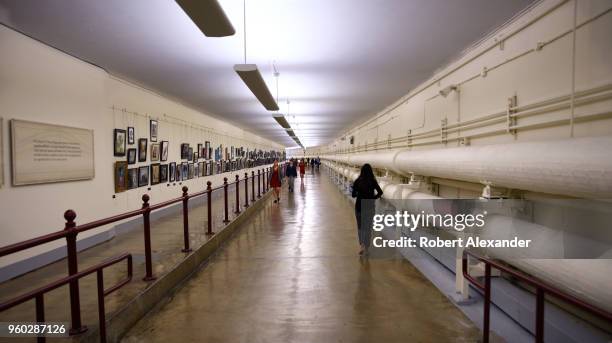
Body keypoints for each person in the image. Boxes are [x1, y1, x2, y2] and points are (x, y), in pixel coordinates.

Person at [351, 164, 383, 255]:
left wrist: (359, 194)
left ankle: (362, 246)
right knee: (368, 228)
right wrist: (373, 198)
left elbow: (353, 194)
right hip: (369, 207)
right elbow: (380, 192)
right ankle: (367, 247)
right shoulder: (372, 181)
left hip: (359, 206)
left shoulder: (358, 181)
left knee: (360, 227)